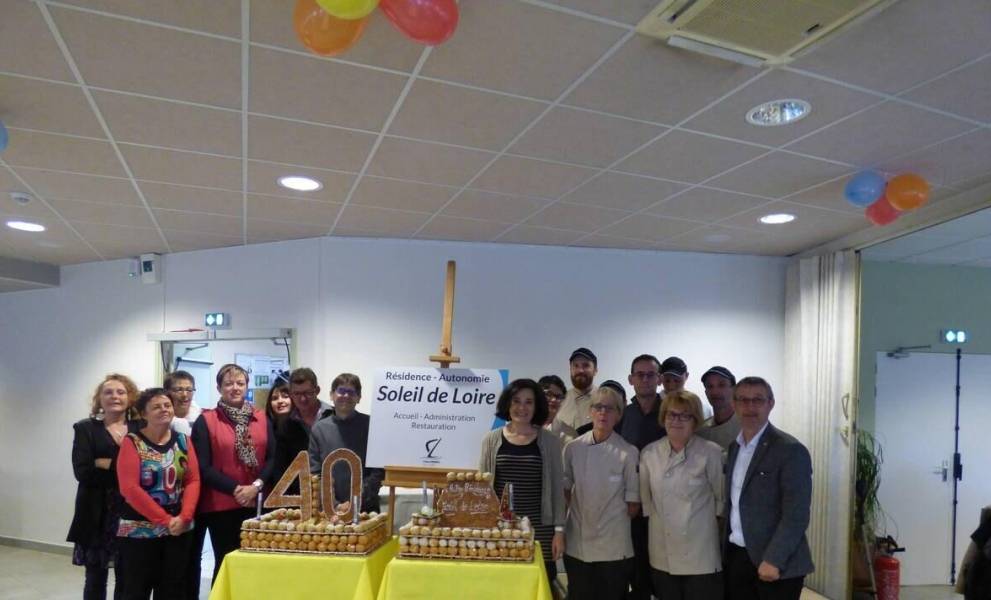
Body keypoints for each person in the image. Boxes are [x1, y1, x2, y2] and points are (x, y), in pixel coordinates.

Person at [190, 364, 276, 597]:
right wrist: (238, 489)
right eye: (228, 384)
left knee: (255, 563)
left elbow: (271, 458)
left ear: (247, 386)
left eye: (240, 383)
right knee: (226, 562)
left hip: (256, 503)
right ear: (219, 388)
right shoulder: (206, 421)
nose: (234, 388)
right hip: (220, 506)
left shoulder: (261, 418)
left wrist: (255, 487)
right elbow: (203, 467)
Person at [725, 376, 814, 600]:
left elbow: (797, 514)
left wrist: (774, 559)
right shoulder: (734, 448)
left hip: (775, 563)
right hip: (738, 556)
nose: (750, 406)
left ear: (770, 404)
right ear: (734, 404)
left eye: (758, 400)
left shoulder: (790, 450)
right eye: (743, 400)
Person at [116, 388, 200, 599]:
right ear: (143, 414)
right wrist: (164, 520)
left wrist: (185, 516)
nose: (164, 410)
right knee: (136, 590)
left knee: (173, 589)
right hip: (140, 531)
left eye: (167, 405)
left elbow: (192, 480)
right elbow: (130, 489)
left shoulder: (183, 440)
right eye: (156, 407)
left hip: (179, 529)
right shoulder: (132, 442)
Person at [480, 379, 566, 585]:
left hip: (540, 531)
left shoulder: (550, 441)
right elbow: (482, 491)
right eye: (516, 401)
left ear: (536, 407)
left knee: (537, 586)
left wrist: (559, 532)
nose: (522, 407)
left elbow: (557, 491)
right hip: (501, 530)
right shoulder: (491, 440)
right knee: (502, 587)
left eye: (529, 402)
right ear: (507, 404)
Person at [640, 390, 724, 600]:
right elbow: (646, 503)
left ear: (695, 421)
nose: (676, 420)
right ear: (663, 418)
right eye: (671, 414)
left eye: (684, 415)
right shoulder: (649, 453)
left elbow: (721, 501)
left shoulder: (711, 452)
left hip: (700, 552)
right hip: (662, 551)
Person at [562, 382, 640, 600]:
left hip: (614, 548)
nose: (603, 412)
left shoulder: (628, 452)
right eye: (598, 407)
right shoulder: (573, 448)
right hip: (578, 543)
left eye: (610, 408)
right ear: (590, 412)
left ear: (619, 414)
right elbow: (565, 490)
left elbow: (633, 506)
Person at [68, 374, 140, 600]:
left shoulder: (141, 428)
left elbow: (145, 470)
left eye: (121, 392)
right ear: (99, 399)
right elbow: (83, 472)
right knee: (95, 578)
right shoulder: (85, 428)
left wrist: (106, 463)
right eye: (108, 392)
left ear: (130, 398)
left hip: (132, 510)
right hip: (96, 512)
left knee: (128, 577)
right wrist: (124, 468)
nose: (114, 397)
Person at [618, 354, 667, 600]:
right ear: (631, 379)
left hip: (666, 501)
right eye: (640, 374)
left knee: (663, 568)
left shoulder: (671, 413)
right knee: (637, 565)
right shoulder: (622, 415)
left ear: (659, 379)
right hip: (632, 501)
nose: (645, 379)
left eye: (651, 374)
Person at [308, 373, 384, 512]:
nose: (346, 396)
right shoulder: (318, 429)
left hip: (365, 509)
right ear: (331, 395)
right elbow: (316, 473)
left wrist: (355, 501)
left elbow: (377, 472)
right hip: (329, 510)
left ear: (359, 398)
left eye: (352, 392)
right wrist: (334, 504)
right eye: (341, 391)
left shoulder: (372, 426)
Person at [266, 372, 307, 488]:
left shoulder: (300, 428)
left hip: (297, 490)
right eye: (274, 398)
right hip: (270, 490)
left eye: (285, 396)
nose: (280, 401)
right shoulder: (267, 427)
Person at [555, 348, 598, 438]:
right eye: (576, 366)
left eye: (586, 366)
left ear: (595, 371)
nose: (580, 370)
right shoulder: (558, 401)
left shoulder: (605, 401)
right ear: (570, 370)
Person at [696, 366, 740, 449]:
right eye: (710, 386)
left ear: (734, 389)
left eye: (722, 385)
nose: (715, 392)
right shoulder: (700, 432)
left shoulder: (748, 429)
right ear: (706, 392)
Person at [165, 370, 201, 437]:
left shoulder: (203, 420)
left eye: (189, 390)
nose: (184, 394)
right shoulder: (157, 423)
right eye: (179, 389)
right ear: (167, 392)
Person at [539, 374, 572, 443]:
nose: (553, 400)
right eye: (548, 394)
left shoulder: (569, 434)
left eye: (558, 397)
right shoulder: (522, 425)